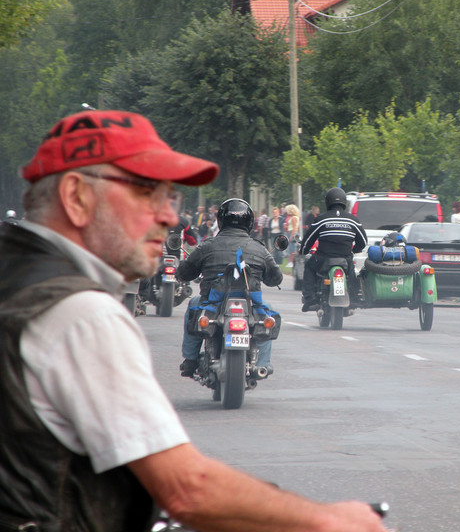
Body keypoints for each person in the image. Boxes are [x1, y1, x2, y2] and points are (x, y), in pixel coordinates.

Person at [0, 109, 387, 532]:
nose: (169, 216)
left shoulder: (17, 276)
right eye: (148, 193)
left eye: (172, 197)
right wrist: (327, 519)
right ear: (77, 197)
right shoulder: (79, 314)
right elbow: (188, 490)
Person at [177, 198, 282, 376]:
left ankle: (191, 359)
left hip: (212, 305)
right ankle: (262, 364)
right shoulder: (259, 249)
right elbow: (276, 278)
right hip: (250, 306)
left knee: (194, 304)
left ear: (220, 220)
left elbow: (184, 274)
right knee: (267, 312)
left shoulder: (207, 246)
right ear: (249, 222)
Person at [299, 187, 368, 312]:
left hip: (323, 258)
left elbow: (308, 239)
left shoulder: (321, 219)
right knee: (352, 274)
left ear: (327, 202)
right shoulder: (353, 220)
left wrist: (303, 250)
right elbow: (363, 241)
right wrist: (354, 249)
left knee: (309, 265)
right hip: (345, 258)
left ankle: (310, 298)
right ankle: (352, 298)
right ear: (344, 202)